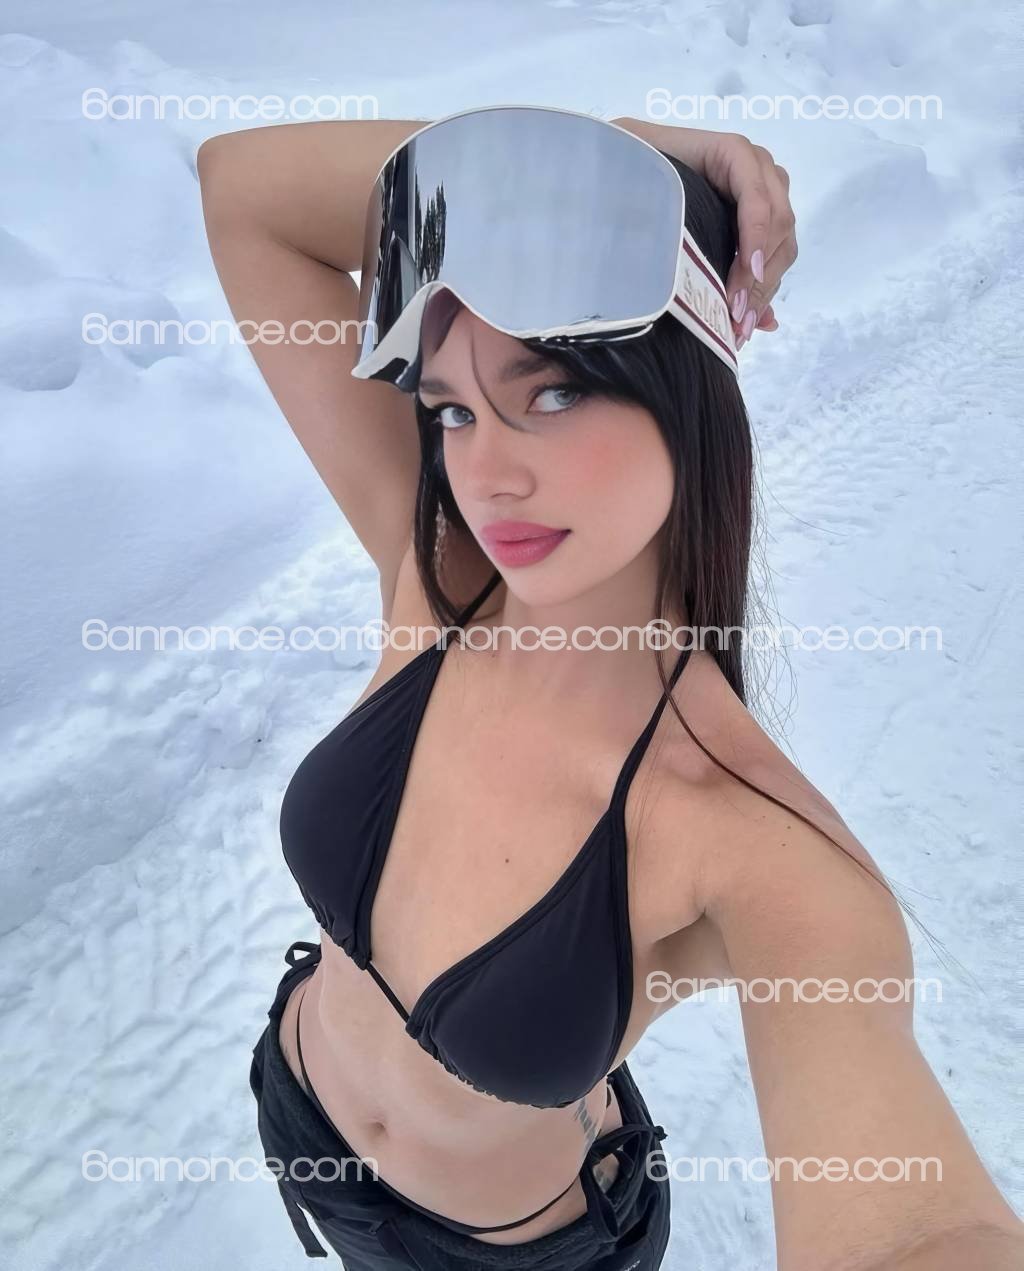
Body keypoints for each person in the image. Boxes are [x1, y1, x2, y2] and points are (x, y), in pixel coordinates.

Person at [197, 110, 1022, 1270]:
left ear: (683, 380)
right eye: (450, 408)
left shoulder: (758, 852)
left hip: (504, 1247)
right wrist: (631, 152)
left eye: (548, 395)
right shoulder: (440, 582)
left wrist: (657, 207)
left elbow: (922, 1228)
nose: (483, 471)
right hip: (296, 1113)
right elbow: (245, 192)